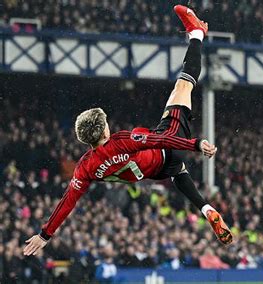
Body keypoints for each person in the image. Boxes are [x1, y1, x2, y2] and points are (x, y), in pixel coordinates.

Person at [23, 5, 233, 257]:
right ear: (103, 131)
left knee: (178, 172)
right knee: (184, 85)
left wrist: (45, 234)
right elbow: (160, 138)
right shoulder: (121, 140)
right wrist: (196, 144)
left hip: (155, 172)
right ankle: (197, 33)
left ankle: (205, 208)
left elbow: (67, 202)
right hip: (166, 148)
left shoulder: (86, 167)